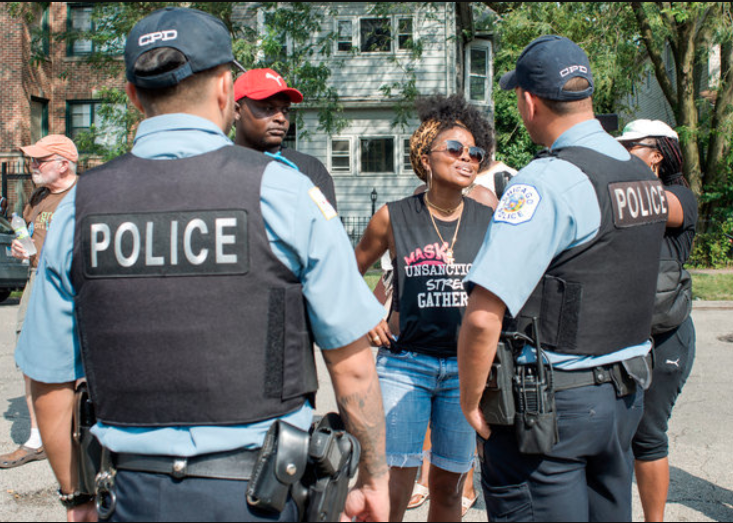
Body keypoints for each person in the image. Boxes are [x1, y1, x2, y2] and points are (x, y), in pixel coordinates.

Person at [14, 7, 389, 522]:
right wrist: (374, 477)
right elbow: (350, 362)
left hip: (128, 493)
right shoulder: (283, 192)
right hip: (262, 495)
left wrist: (76, 497)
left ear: (130, 96)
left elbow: (50, 380)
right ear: (225, 90)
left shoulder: (80, 207)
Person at [458, 35, 669, 522]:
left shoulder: (547, 181)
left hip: (554, 410)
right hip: (625, 397)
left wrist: (470, 401)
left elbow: (484, 315)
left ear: (529, 101)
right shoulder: (638, 173)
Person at [355, 93, 494, 522]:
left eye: (475, 152)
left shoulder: (488, 220)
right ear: (426, 156)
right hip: (404, 365)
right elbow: (345, 272)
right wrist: (365, 316)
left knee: (449, 490)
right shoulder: (393, 217)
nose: (467, 158)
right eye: (454, 149)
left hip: (465, 370)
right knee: (394, 487)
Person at [618, 119, 697, 523]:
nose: (624, 149)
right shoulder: (617, 189)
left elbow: (649, 205)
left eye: (633, 145)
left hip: (666, 334)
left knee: (648, 435)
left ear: (658, 153)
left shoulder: (680, 195)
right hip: (620, 330)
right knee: (613, 433)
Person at [0, 135, 79, 470]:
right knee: (30, 358)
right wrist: (22, 247)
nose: (33, 166)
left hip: (74, 284)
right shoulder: (38, 196)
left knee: (79, 358)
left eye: (39, 160)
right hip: (37, 281)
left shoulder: (84, 196)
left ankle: (79, 437)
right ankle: (36, 440)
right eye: (31, 160)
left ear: (63, 163)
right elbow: (30, 236)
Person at [233, 68, 337, 209]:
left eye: (285, 110)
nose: (281, 118)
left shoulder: (309, 170)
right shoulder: (215, 166)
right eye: (268, 108)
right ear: (236, 111)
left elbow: (327, 227)